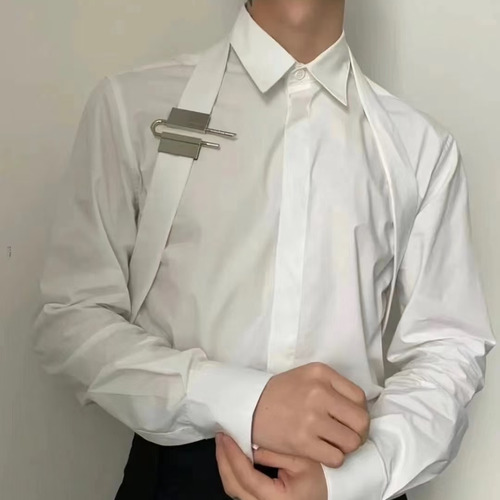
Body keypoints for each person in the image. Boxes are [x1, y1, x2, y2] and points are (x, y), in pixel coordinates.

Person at [33, 1, 496, 499]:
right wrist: (244, 402)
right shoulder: (132, 108)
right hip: (178, 476)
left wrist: (353, 479)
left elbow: (449, 348)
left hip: (348, 474)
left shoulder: (421, 148)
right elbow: (73, 317)